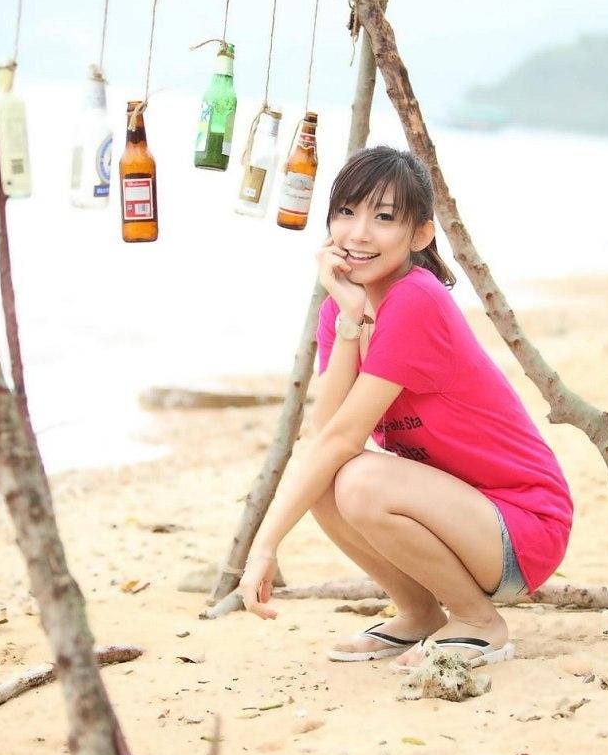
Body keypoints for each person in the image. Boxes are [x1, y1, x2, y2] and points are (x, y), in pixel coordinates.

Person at [238, 145, 573, 671]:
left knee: (359, 479)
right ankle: (419, 614)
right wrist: (350, 318)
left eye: (384, 217)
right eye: (346, 212)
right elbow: (325, 433)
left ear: (420, 235)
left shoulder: (415, 299)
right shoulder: (343, 311)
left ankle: (479, 622)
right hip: (462, 520)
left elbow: (341, 440)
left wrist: (264, 545)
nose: (358, 233)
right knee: (326, 475)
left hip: (522, 527)